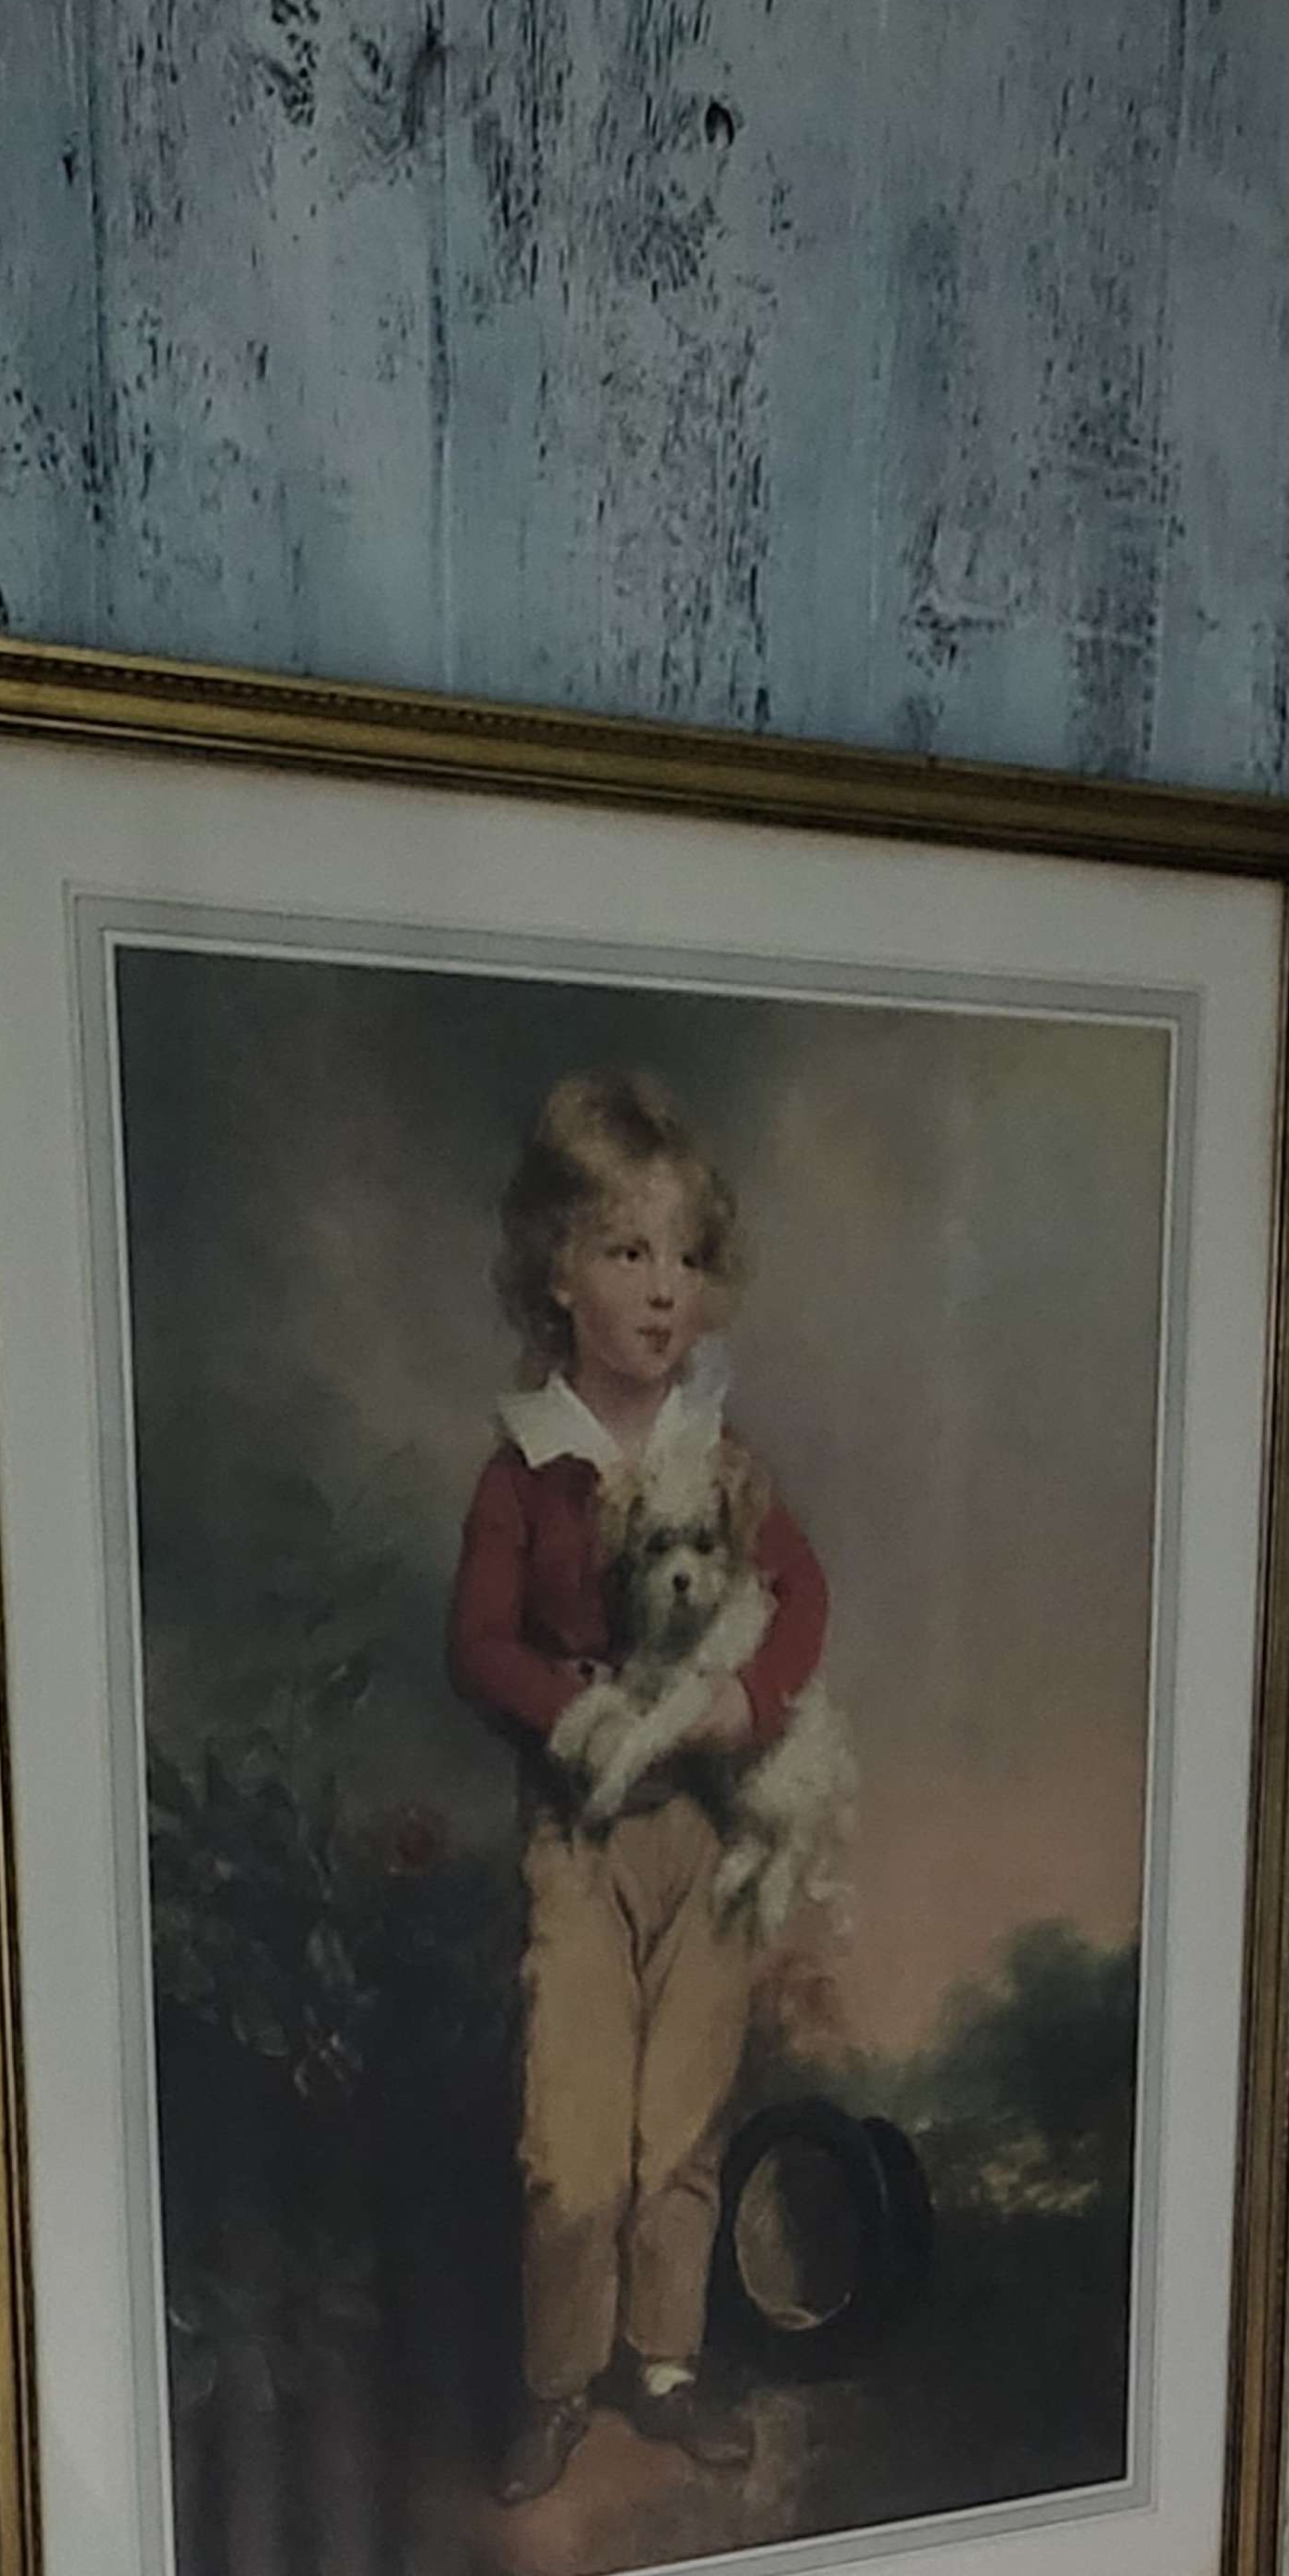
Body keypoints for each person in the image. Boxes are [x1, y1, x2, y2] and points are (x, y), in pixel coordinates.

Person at [446, 1066, 830, 2500]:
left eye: (682, 1255)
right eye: (625, 1251)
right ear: (558, 1275)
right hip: (583, 1833)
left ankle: (663, 2368)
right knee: (575, 2135)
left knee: (681, 2118)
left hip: (710, 1828)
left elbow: (801, 1602)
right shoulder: (526, 1469)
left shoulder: (721, 1459)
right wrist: (579, 1711)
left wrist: (743, 1697)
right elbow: (477, 1642)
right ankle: (557, 2379)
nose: (662, 1290)